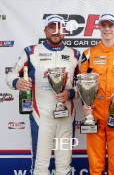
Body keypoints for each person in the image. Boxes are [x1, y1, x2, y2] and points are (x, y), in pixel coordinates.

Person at [6, 15, 80, 175]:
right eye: (52, 27)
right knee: (40, 165)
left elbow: (83, 85)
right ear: (45, 30)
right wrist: (16, 82)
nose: (56, 31)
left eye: (59, 28)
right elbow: (10, 74)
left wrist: (71, 92)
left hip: (66, 117)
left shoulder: (74, 54)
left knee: (64, 164)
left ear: (64, 31)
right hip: (41, 117)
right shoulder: (31, 52)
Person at [80, 13, 114, 175]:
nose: (107, 29)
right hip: (94, 113)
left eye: (110, 25)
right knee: (95, 165)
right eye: (103, 25)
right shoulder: (88, 53)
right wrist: (86, 103)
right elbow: (81, 82)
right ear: (99, 27)